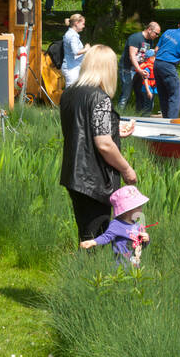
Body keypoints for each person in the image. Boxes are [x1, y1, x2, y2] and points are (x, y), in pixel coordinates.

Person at [59, 45, 138, 243]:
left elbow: (82, 127)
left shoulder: (69, 93)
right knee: (96, 238)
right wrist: (127, 169)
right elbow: (104, 144)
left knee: (86, 232)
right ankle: (90, 264)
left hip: (73, 174)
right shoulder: (100, 97)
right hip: (94, 179)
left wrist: (115, 130)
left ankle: (83, 262)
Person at [79, 185, 151, 267]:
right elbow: (106, 237)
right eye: (138, 207)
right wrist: (93, 242)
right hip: (121, 267)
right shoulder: (117, 224)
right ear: (127, 209)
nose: (141, 210)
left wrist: (146, 240)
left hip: (135, 266)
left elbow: (139, 246)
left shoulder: (137, 226)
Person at [119, 21, 160, 114]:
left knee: (140, 94)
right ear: (149, 29)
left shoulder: (150, 40)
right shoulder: (135, 38)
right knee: (126, 95)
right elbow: (132, 56)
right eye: (156, 33)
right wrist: (140, 70)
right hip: (128, 69)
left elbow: (146, 56)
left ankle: (138, 115)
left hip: (140, 69)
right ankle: (119, 114)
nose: (157, 36)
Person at [62, 13, 88, 86]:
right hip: (72, 68)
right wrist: (86, 49)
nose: (84, 26)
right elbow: (76, 52)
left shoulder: (71, 33)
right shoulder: (73, 36)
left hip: (72, 66)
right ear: (76, 23)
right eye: (83, 24)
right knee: (71, 90)